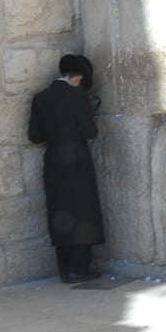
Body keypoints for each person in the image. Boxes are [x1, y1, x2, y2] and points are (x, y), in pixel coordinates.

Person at [28, 54, 104, 284]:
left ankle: (64, 268)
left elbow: (34, 136)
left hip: (53, 160)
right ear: (79, 77)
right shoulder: (77, 96)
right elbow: (91, 132)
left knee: (59, 212)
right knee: (82, 212)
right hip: (77, 161)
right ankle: (80, 268)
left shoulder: (40, 98)